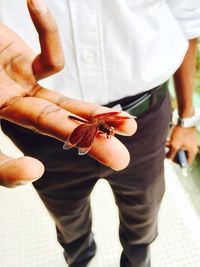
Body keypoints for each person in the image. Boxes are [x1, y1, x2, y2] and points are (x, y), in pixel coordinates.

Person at [0, 0, 199, 266]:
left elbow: (188, 23)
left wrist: (186, 120)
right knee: (66, 215)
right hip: (36, 120)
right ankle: (79, 257)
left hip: (145, 119)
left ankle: (137, 257)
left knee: (144, 211)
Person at [0, 5, 136, 187]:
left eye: (108, 132)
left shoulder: (105, 124)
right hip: (34, 122)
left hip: (145, 105)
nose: (108, 132)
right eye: (108, 131)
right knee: (63, 202)